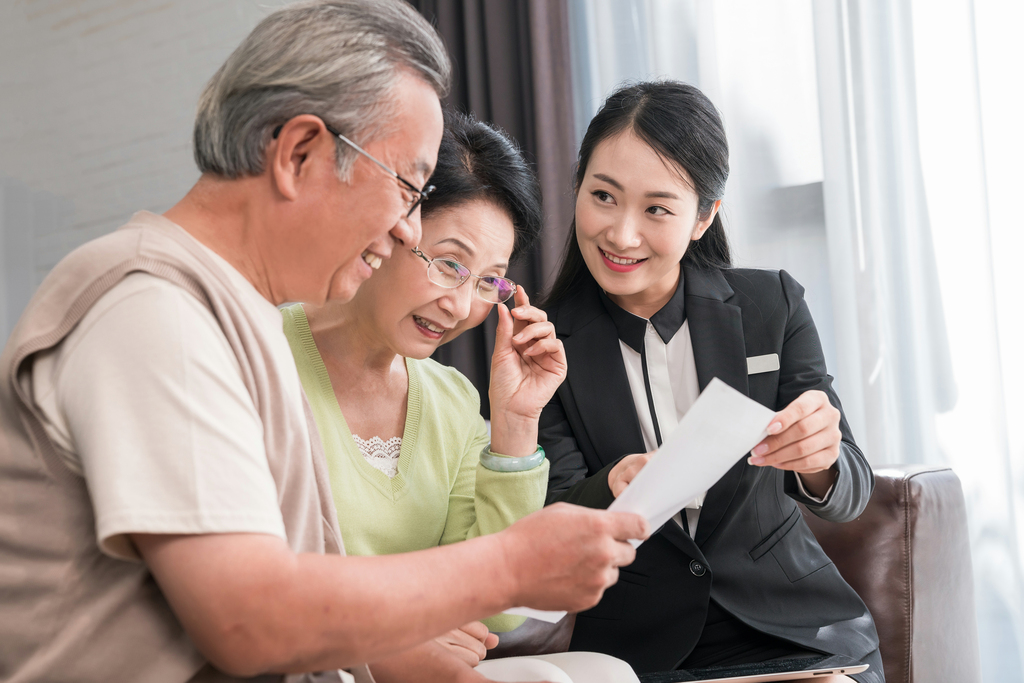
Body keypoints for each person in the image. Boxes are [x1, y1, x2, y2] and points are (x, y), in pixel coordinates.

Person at [0, 4, 648, 682]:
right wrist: (511, 563)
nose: (405, 230)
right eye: (406, 187)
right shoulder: (151, 309)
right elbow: (251, 619)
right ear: (299, 153)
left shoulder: (229, 317)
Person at [538, 80, 884, 683]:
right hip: (641, 654)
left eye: (657, 209)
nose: (621, 234)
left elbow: (850, 492)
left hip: (797, 634)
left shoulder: (769, 305)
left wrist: (820, 460)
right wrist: (610, 488)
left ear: (703, 218)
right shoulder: (544, 347)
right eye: (603, 196)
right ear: (577, 189)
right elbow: (550, 514)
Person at [283, 110, 640, 683]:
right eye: (450, 264)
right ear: (390, 227)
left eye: (487, 282)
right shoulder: (260, 354)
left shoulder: (450, 399)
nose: (460, 305)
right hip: (312, 663)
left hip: (421, 665)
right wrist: (397, 634)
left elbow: (497, 610)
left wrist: (517, 421)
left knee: (605, 673)